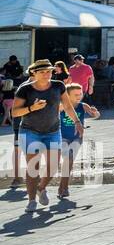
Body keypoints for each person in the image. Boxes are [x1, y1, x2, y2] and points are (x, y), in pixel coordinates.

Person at [12, 60, 79, 212]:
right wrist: (32, 108)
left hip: (53, 131)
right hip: (30, 131)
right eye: (42, 72)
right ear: (33, 73)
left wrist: (77, 122)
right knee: (33, 168)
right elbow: (15, 112)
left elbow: (67, 106)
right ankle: (31, 201)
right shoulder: (25, 89)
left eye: (48, 71)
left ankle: (41, 188)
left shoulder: (58, 86)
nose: (46, 74)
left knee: (54, 165)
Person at [57, 81, 98, 198]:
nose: (79, 96)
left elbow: (95, 115)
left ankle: (63, 186)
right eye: (76, 95)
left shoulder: (83, 106)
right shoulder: (61, 106)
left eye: (80, 94)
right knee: (68, 160)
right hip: (63, 137)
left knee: (69, 162)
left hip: (77, 138)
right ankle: (63, 187)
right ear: (67, 95)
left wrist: (95, 113)